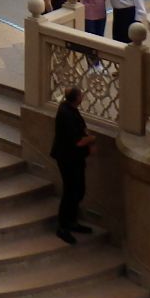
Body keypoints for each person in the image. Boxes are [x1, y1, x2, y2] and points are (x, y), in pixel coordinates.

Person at [50, 86, 96, 245]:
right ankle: (63, 226)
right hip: (67, 158)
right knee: (71, 191)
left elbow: (81, 131)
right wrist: (92, 140)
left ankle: (72, 221)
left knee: (78, 190)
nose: (83, 96)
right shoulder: (66, 114)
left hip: (75, 158)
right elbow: (78, 142)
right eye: (81, 95)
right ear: (76, 98)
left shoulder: (70, 109)